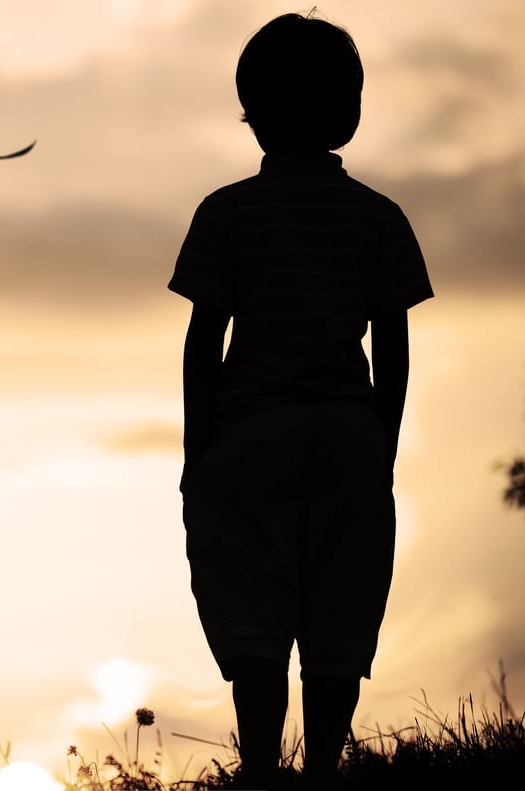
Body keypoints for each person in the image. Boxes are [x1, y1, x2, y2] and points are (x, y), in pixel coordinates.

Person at [168, 12, 433, 790]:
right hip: (349, 427)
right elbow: (393, 341)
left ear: (250, 114)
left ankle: (259, 765)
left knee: (251, 596)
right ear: (349, 111)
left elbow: (202, 341)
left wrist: (198, 445)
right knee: (341, 598)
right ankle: (321, 769)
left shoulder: (226, 213)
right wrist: (379, 438)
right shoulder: (380, 217)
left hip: (251, 429)